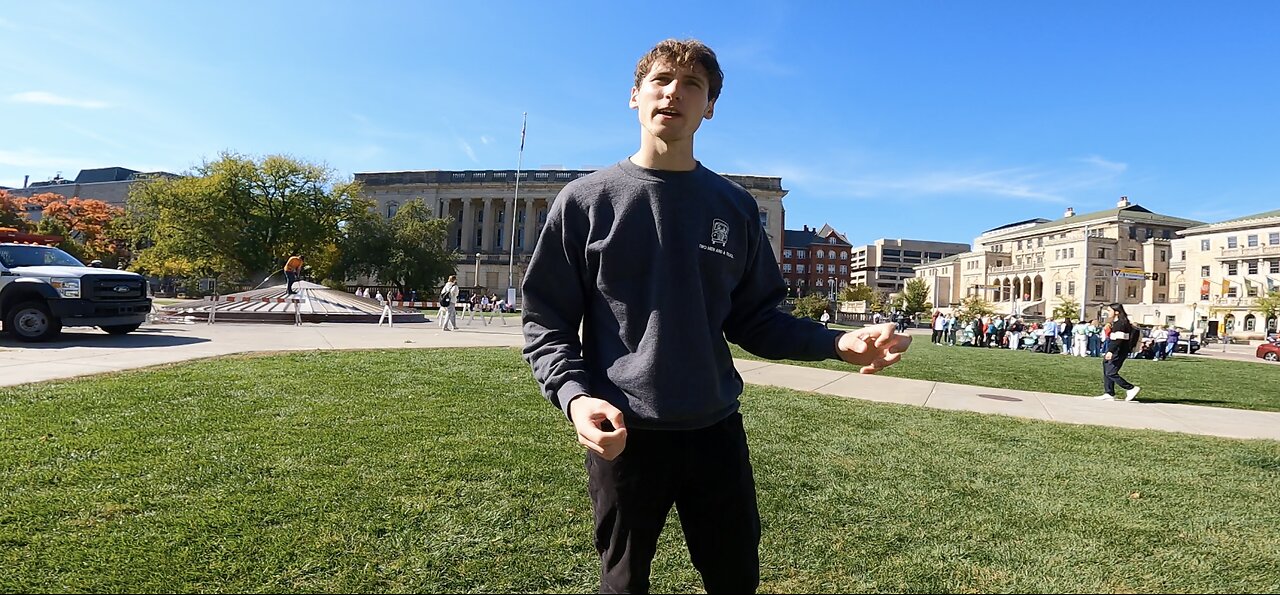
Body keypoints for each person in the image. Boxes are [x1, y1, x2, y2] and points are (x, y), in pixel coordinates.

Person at [521, 38, 912, 594]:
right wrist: (575, 397)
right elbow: (546, 323)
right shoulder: (585, 202)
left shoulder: (733, 208)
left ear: (709, 107)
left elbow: (756, 319)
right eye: (660, 80)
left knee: (735, 578)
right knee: (624, 582)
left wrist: (838, 343)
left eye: (693, 85)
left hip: (715, 430)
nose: (673, 92)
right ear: (634, 96)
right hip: (623, 430)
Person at [1094, 303, 1141, 401]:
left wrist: (1111, 351)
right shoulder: (1116, 323)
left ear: (1116, 312)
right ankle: (1109, 393)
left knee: (1111, 372)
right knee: (1106, 370)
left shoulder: (1121, 323)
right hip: (1114, 350)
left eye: (1109, 311)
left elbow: (1119, 340)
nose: (1108, 313)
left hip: (1118, 351)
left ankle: (1130, 388)